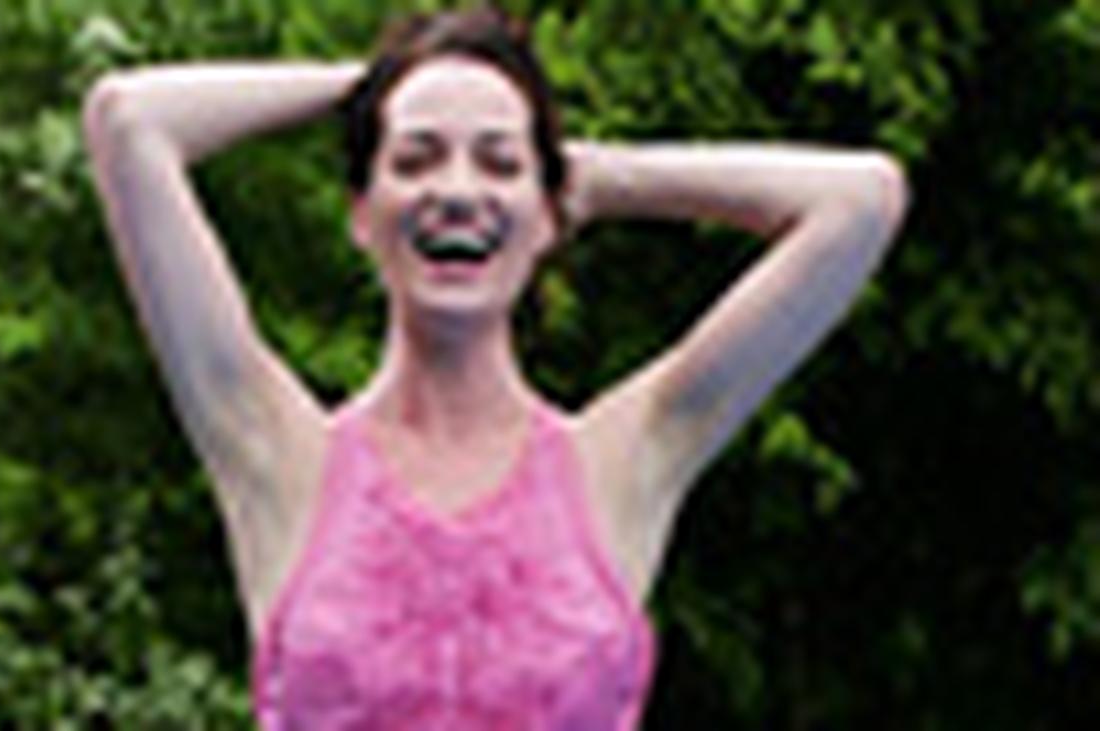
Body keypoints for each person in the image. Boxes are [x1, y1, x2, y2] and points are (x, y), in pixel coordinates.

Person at [82, 7, 908, 729]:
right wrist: (375, 83)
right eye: (416, 158)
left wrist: (597, 180)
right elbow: (131, 121)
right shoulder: (278, 454)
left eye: (499, 162)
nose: (456, 189)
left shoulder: (624, 456)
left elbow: (859, 200)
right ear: (361, 214)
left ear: (548, 216)